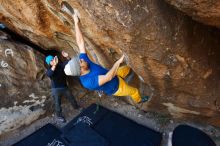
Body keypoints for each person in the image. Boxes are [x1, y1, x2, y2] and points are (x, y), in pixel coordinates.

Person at [64, 13, 149, 104]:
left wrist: (76, 23)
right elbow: (108, 77)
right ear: (81, 69)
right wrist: (118, 62)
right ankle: (139, 100)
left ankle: (129, 75)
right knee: (134, 91)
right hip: (116, 87)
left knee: (128, 68)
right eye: (81, 61)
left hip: (114, 74)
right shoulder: (88, 82)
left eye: (80, 59)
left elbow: (80, 43)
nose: (82, 59)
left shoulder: (84, 63)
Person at [45, 51, 79, 123]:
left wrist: (67, 56)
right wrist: (54, 65)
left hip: (64, 87)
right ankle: (59, 116)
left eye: (53, 59)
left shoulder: (60, 65)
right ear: (49, 63)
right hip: (56, 89)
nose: (53, 61)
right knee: (57, 103)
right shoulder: (49, 70)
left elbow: (68, 62)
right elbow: (49, 74)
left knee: (72, 98)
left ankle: (76, 107)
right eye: (51, 60)